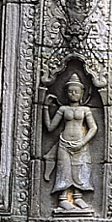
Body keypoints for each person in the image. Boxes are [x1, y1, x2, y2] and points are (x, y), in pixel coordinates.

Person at [43, 73, 98, 210]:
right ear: (66, 93)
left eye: (76, 91)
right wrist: (45, 107)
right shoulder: (63, 109)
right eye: (70, 91)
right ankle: (62, 198)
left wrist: (83, 142)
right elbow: (50, 127)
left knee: (79, 169)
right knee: (64, 170)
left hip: (80, 144)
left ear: (81, 93)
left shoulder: (85, 110)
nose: (73, 94)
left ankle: (77, 197)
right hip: (64, 143)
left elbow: (93, 128)